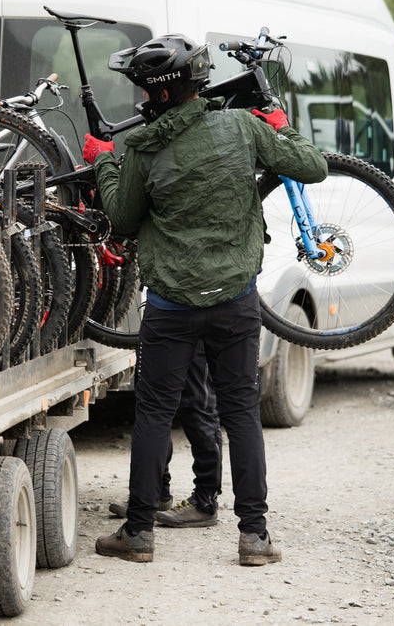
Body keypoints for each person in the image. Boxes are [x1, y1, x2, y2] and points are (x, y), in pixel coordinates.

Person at [85, 34, 327, 565]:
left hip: (170, 307)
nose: (142, 103)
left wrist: (104, 162)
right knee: (241, 413)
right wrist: (282, 127)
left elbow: (122, 220)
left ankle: (140, 533)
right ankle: (255, 538)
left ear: (160, 95)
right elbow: (313, 166)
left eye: (144, 94)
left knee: (153, 412)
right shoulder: (243, 127)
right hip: (235, 301)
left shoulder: (144, 152)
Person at [108, 342, 223, 528]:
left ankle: (205, 502)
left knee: (197, 406)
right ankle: (155, 492)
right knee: (152, 409)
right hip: (160, 322)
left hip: (194, 321)